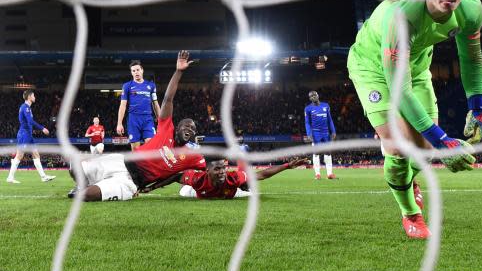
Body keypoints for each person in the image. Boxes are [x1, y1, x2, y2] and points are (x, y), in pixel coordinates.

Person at [347, 0, 482, 239]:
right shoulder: (403, 16)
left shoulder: (471, 9)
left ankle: (408, 176)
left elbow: (471, 57)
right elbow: (399, 90)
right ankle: (411, 214)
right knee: (398, 147)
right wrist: (444, 140)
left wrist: (479, 108)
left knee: (422, 154)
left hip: (416, 68)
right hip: (371, 67)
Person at [70, 51, 206, 201]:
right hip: (122, 160)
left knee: (85, 196)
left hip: (132, 180)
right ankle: (92, 183)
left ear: (142, 70)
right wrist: (178, 72)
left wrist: (153, 186)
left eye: (192, 129)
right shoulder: (165, 126)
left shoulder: (190, 156)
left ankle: (102, 186)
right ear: (177, 127)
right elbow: (167, 100)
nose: (189, 129)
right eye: (186, 126)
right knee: (74, 169)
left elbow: (187, 173)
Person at [149, 157, 308, 199]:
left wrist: (287, 166)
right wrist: (151, 187)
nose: (222, 172)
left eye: (224, 168)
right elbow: (175, 176)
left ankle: (246, 187)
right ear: (207, 171)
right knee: (183, 192)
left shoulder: (233, 178)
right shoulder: (197, 179)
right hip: (195, 191)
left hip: (230, 192)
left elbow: (261, 174)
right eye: (217, 169)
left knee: (252, 192)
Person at [7, 89, 56, 183]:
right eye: (33, 96)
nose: (35, 97)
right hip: (24, 135)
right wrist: (42, 128)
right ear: (29, 97)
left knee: (36, 154)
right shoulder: (25, 107)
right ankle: (10, 177)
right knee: (19, 155)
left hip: (28, 135)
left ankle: (43, 177)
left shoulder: (27, 108)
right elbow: (30, 121)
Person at [116, 60, 161, 150]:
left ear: (142, 70)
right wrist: (119, 123)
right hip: (133, 119)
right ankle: (137, 164)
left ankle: (148, 164)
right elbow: (122, 105)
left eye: (137, 70)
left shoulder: (151, 86)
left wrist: (161, 122)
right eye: (133, 71)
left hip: (148, 119)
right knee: (135, 149)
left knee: (151, 146)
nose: (136, 72)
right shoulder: (127, 86)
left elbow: (155, 104)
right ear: (131, 73)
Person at [304, 91, 337, 179]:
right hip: (315, 133)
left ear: (318, 95)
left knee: (328, 152)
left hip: (326, 133)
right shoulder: (308, 108)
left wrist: (333, 131)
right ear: (309, 98)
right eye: (311, 96)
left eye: (314, 95)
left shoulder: (326, 105)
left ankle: (329, 174)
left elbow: (330, 119)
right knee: (316, 153)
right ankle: (317, 174)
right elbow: (307, 123)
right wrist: (309, 133)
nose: (313, 97)